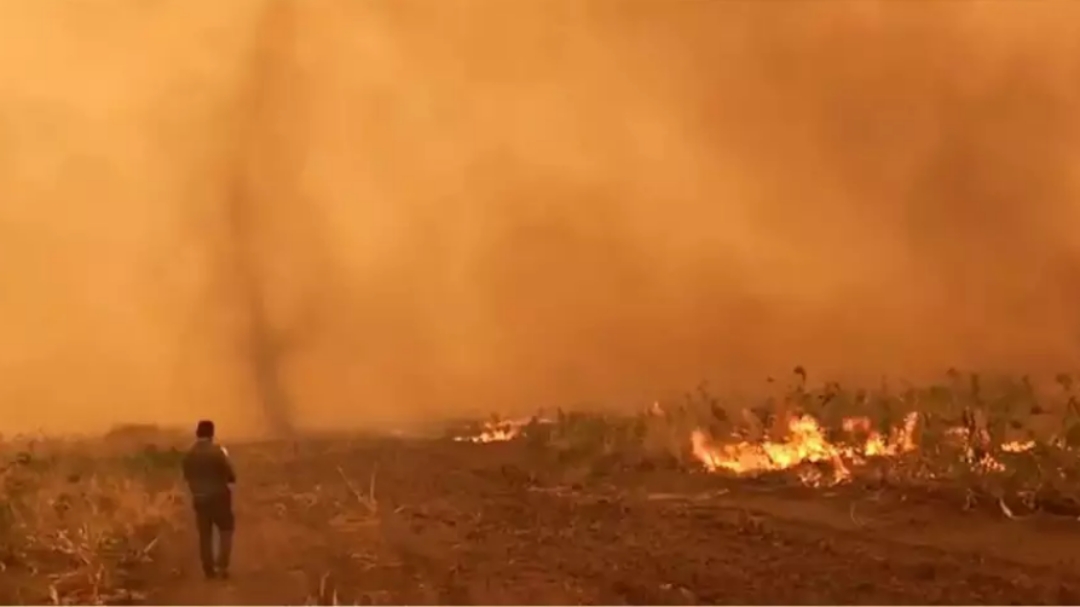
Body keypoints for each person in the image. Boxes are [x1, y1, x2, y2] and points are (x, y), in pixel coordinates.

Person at [181, 419, 237, 580]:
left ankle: (208, 568)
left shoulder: (189, 455)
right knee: (226, 531)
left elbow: (187, 476)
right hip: (220, 497)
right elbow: (231, 475)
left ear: (197, 433)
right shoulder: (218, 452)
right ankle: (222, 565)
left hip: (199, 499)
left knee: (205, 535)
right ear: (212, 433)